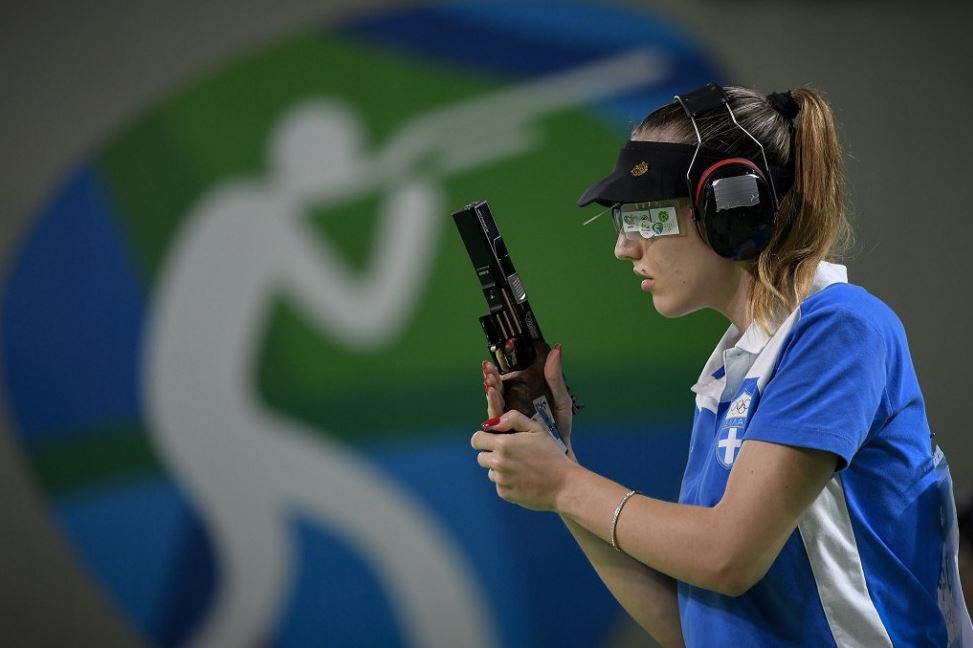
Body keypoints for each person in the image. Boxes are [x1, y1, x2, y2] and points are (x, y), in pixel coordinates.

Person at [471, 83, 973, 647]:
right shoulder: (733, 375)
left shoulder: (841, 327)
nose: (625, 247)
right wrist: (559, 468)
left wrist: (566, 484)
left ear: (729, 204)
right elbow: (692, 628)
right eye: (622, 221)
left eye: (646, 216)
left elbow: (727, 556)